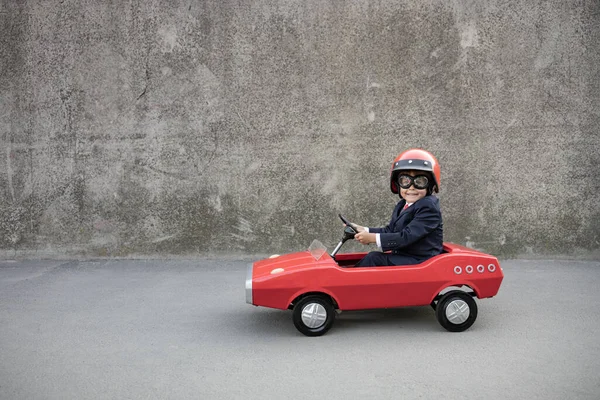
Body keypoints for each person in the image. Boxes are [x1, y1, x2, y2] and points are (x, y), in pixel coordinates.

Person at [350, 149, 443, 267]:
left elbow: (407, 236)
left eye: (420, 181)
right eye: (405, 181)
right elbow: (390, 230)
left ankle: (347, 284)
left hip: (421, 261)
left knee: (374, 259)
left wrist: (373, 238)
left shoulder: (428, 207)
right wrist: (364, 230)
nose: (411, 187)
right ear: (397, 184)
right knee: (373, 257)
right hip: (405, 256)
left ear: (430, 185)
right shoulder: (402, 205)